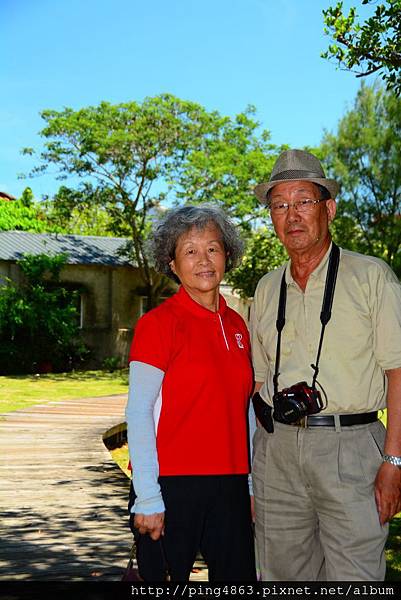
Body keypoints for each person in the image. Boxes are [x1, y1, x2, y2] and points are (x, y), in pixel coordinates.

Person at [250, 149, 401, 581]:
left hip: (351, 448)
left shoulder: (372, 277)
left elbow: (398, 373)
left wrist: (395, 462)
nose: (291, 214)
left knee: (355, 576)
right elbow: (259, 381)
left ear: (328, 208)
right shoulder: (265, 288)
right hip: (276, 452)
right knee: (281, 576)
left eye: (303, 201)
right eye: (279, 205)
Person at [125, 204, 256, 582]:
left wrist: (247, 483)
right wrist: (148, 495)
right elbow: (138, 412)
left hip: (230, 485)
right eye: (190, 251)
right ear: (172, 263)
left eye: (213, 249)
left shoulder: (237, 326)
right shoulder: (158, 324)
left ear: (227, 256)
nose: (203, 260)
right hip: (170, 485)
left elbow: (242, 408)